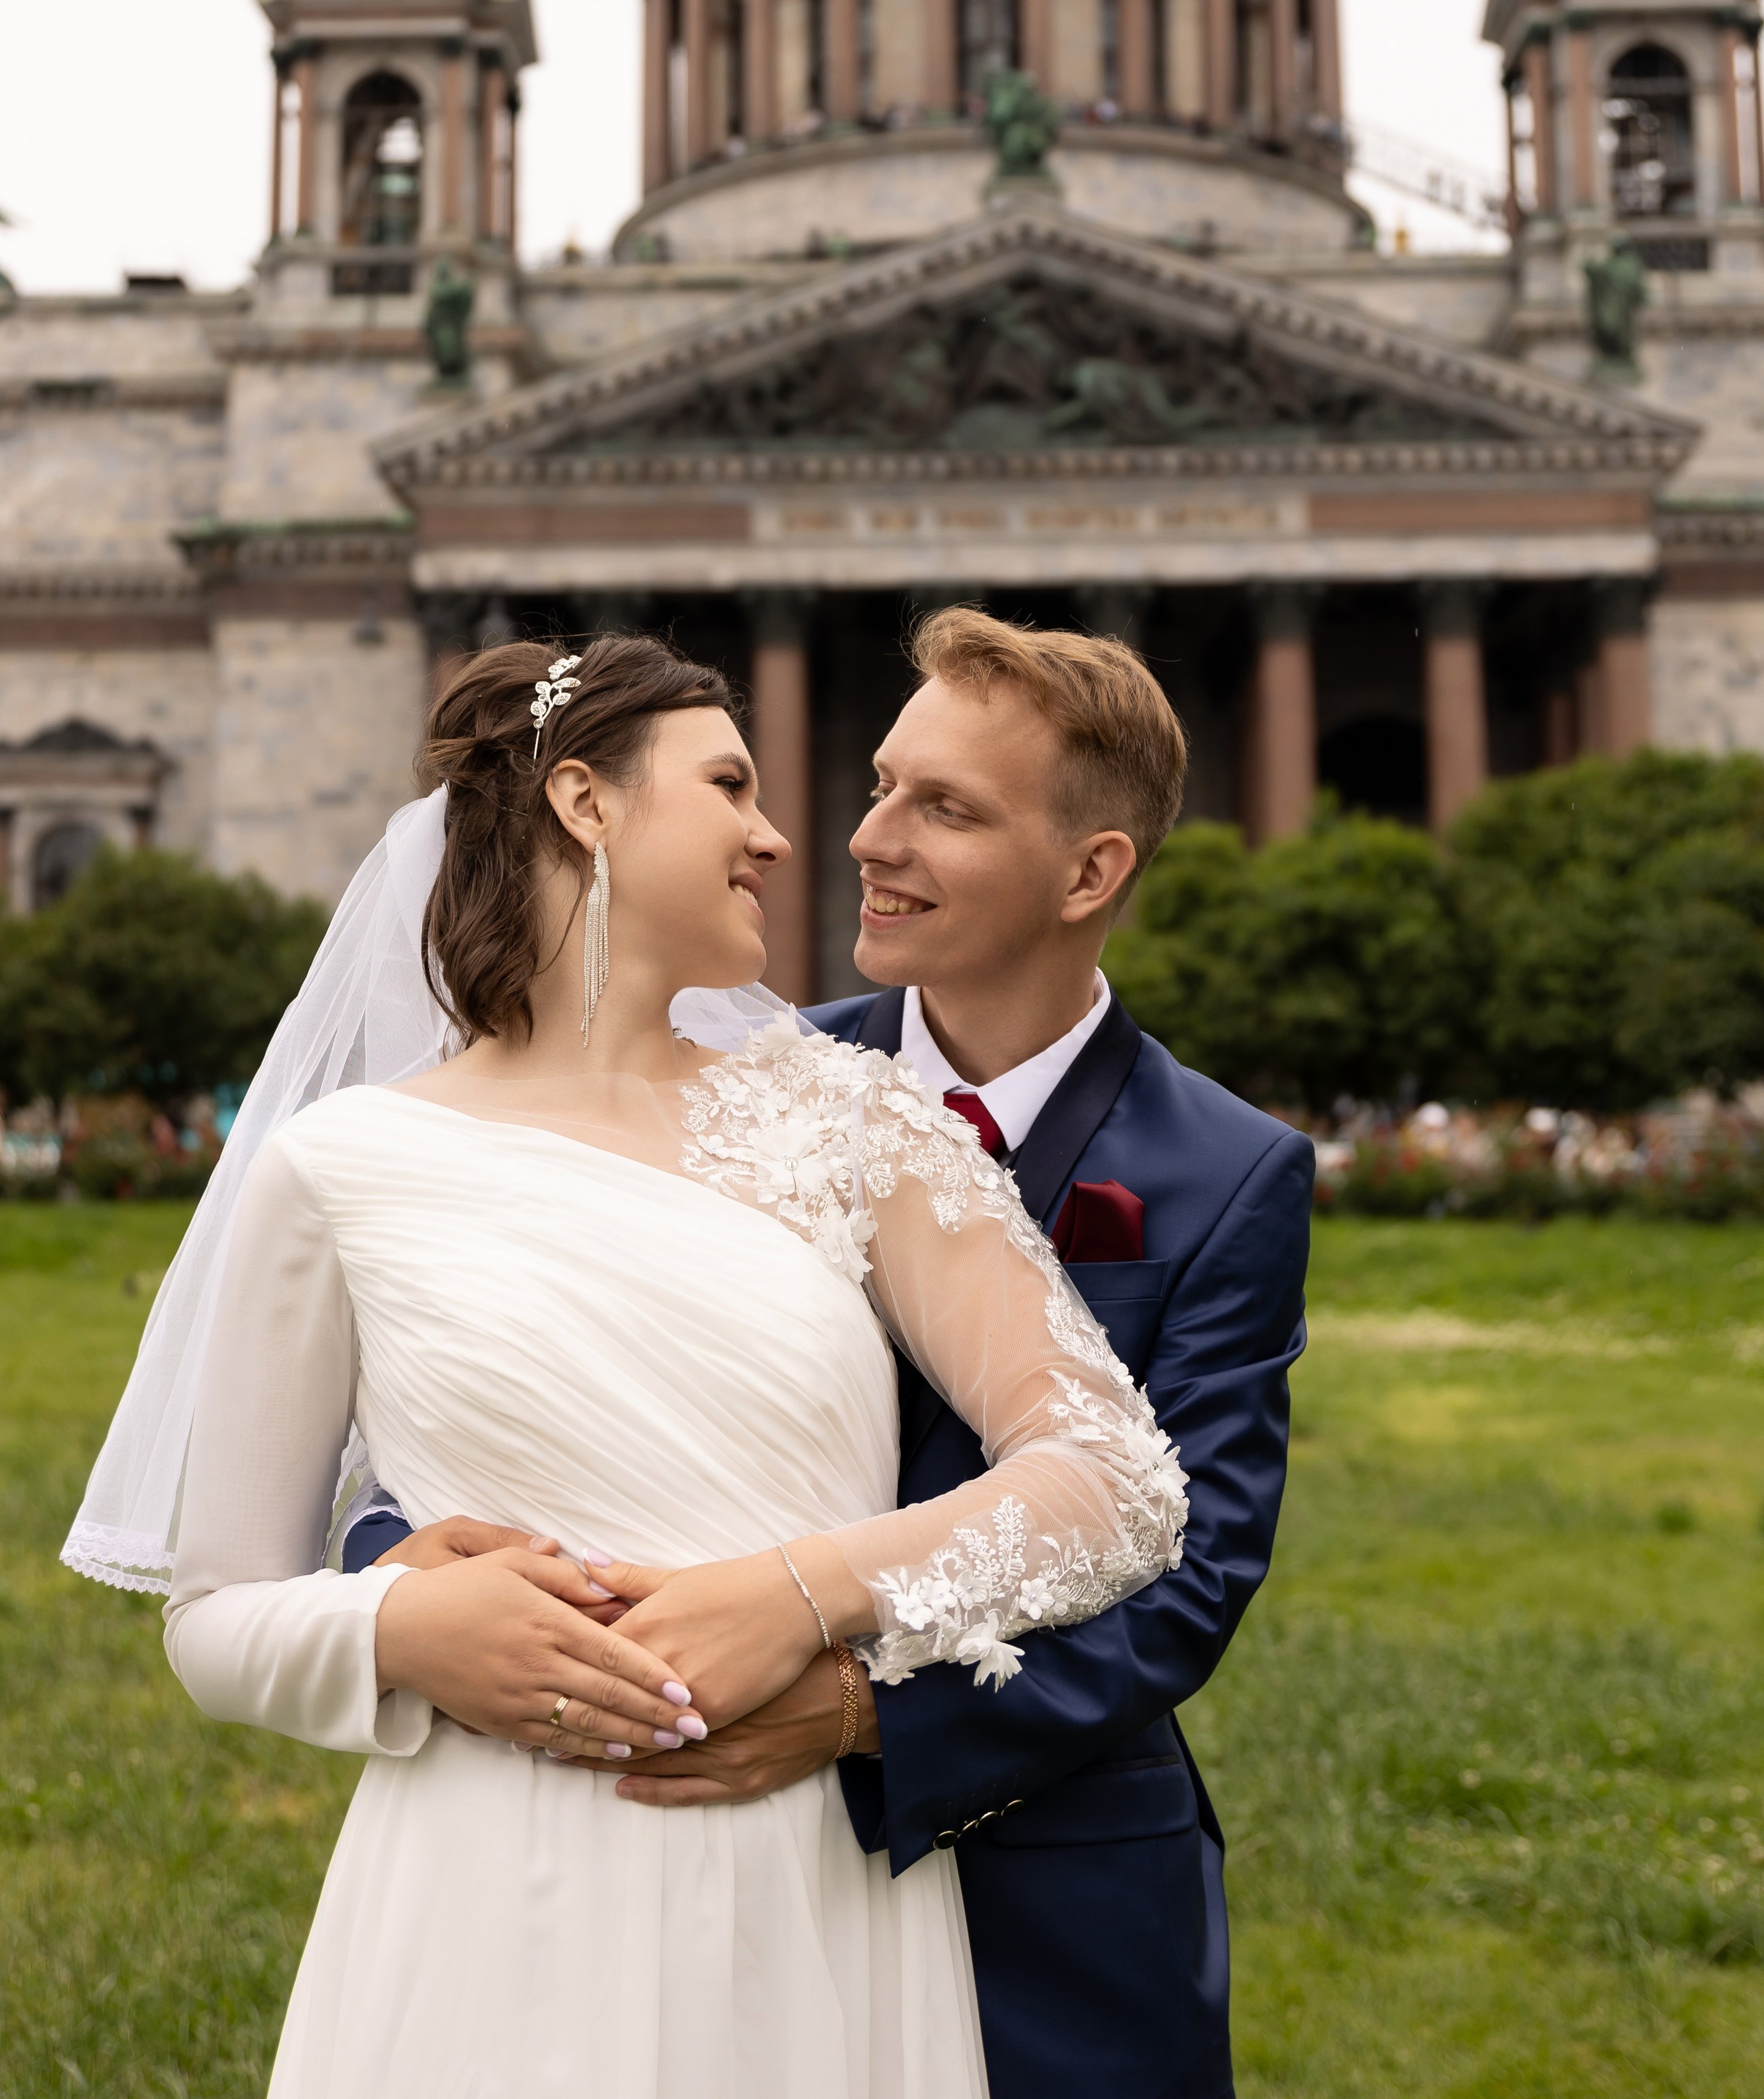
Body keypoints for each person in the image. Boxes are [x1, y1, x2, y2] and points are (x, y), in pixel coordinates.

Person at [63, 633, 1186, 2099]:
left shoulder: (855, 1125)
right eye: (728, 785)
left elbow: (1112, 1481)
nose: (783, 837)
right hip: (481, 1883)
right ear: (586, 804)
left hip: (793, 1873)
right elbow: (214, 1619)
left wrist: (797, 1598)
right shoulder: (338, 1171)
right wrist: (402, 1638)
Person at [349, 611, 1314, 2099]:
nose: (860, 838)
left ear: (1089, 871)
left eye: (945, 808)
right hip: (702, 1842)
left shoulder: (1226, 1173)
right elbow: (502, 1355)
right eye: (878, 784)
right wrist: (398, 1562)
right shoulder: (739, 1089)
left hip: (1059, 1874)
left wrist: (867, 1710)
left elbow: (1187, 1576)